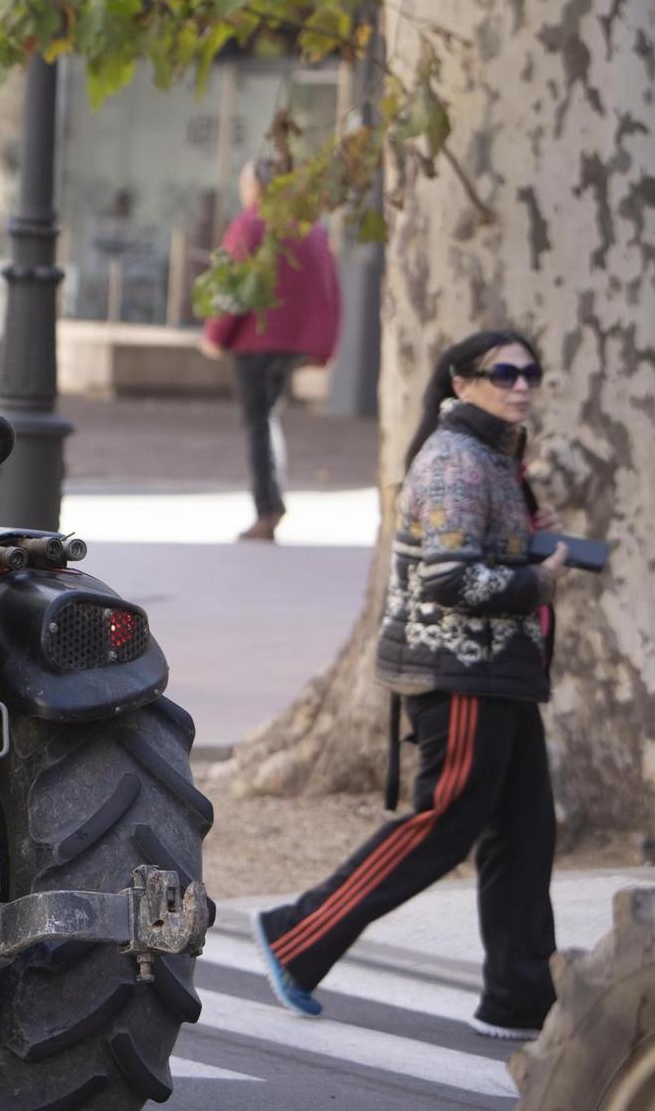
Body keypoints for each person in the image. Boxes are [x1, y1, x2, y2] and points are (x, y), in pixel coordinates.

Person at [251, 329, 569, 1043]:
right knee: (441, 822)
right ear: (461, 381)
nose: (521, 384)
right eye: (505, 372)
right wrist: (538, 579)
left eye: (531, 372)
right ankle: (297, 933)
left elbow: (475, 554)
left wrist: (536, 546)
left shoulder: (499, 455)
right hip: (459, 670)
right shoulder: (457, 459)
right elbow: (449, 579)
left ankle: (519, 999)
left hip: (501, 670)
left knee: (524, 832)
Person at [200, 157, 341, 541]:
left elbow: (232, 286)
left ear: (256, 188)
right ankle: (271, 504)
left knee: (259, 423)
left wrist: (216, 334)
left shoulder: (252, 224)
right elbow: (328, 289)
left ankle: (267, 509)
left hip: (255, 342)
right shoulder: (309, 228)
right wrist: (321, 344)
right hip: (290, 345)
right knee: (268, 419)